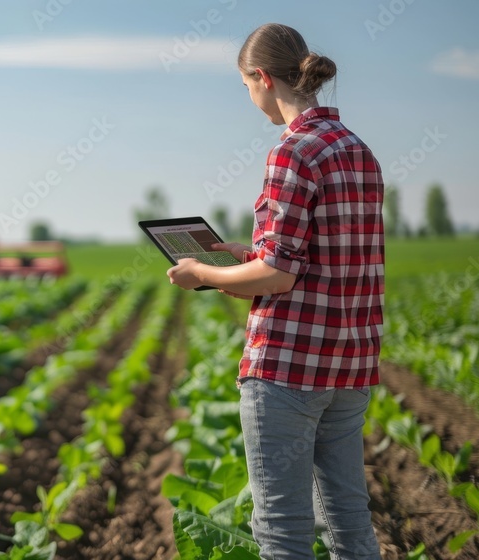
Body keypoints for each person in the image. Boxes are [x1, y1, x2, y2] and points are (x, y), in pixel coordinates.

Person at [166, 23, 384, 560]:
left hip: (288, 368)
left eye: (245, 85)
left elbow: (279, 277)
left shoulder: (292, 151)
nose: (250, 97)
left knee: (283, 536)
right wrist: (248, 255)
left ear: (263, 78)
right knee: (349, 525)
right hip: (349, 365)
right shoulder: (359, 151)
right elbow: (318, 257)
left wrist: (205, 275)